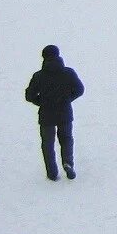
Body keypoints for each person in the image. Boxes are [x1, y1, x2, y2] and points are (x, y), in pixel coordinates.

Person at [24, 45, 84, 181]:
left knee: (47, 143)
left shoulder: (39, 76)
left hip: (46, 115)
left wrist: (41, 101)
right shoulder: (68, 73)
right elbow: (80, 89)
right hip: (65, 113)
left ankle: (52, 172)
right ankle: (68, 163)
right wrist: (68, 99)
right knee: (66, 139)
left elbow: (29, 95)